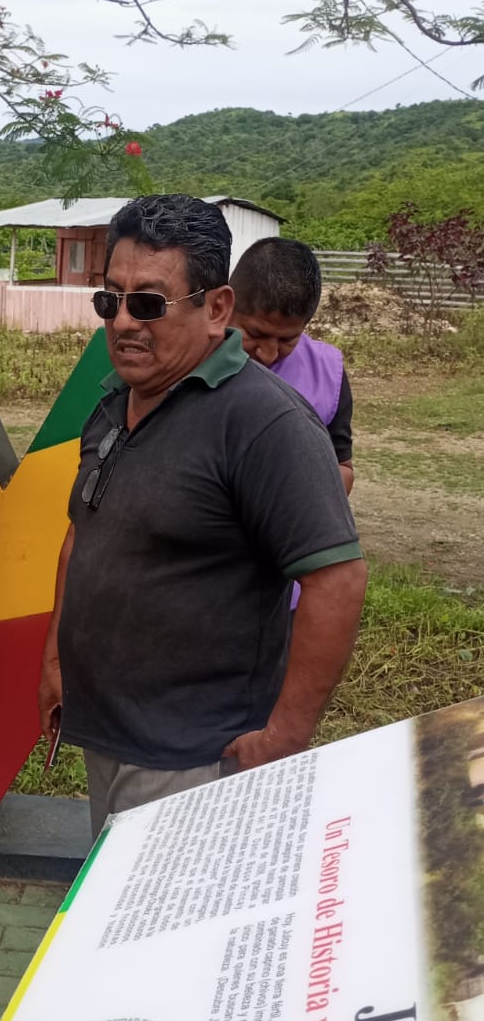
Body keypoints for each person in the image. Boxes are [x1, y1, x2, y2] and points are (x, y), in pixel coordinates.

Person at [38, 195, 367, 839]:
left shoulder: (263, 423)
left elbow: (338, 580)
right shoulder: (114, 404)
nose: (123, 322)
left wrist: (285, 734)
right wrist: (55, 657)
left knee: (155, 904)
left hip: (192, 754)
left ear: (217, 309)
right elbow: (85, 534)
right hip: (108, 730)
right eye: (111, 299)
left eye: (149, 303)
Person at [230, 238, 354, 495]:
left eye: (287, 339)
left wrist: (293, 500)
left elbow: (342, 468)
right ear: (224, 305)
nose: (268, 354)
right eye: (255, 333)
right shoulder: (186, 360)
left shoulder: (328, 374)